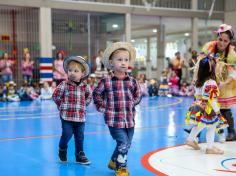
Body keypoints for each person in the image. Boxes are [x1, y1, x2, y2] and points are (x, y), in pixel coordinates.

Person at [93, 42, 142, 176]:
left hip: (129, 119)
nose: (123, 63)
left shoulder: (132, 81)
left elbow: (138, 94)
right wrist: (102, 107)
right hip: (114, 119)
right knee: (123, 143)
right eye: (119, 60)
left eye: (126, 60)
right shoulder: (106, 81)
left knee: (127, 144)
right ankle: (121, 167)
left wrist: (133, 102)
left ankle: (113, 161)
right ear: (111, 62)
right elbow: (96, 94)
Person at [52, 56, 92, 165]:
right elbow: (55, 96)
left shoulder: (85, 87)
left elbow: (89, 97)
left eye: (76, 71)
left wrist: (84, 105)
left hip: (80, 117)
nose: (72, 73)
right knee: (67, 133)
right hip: (66, 116)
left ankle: (80, 154)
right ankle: (62, 148)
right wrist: (61, 106)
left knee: (80, 137)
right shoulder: (64, 85)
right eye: (70, 70)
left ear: (82, 74)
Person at [185, 55, 228, 154]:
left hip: (199, 105)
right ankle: (210, 148)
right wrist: (218, 113)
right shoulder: (211, 82)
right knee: (211, 127)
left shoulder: (198, 81)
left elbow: (197, 94)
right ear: (211, 69)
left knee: (201, 125)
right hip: (208, 108)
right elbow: (211, 100)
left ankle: (190, 139)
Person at [200, 24, 236, 141]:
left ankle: (231, 132)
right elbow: (201, 65)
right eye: (220, 39)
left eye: (225, 41)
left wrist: (222, 83)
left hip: (225, 80)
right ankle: (196, 132)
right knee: (204, 105)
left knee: (224, 107)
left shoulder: (231, 54)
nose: (222, 43)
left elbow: (232, 75)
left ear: (229, 41)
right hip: (209, 78)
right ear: (217, 37)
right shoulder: (209, 47)